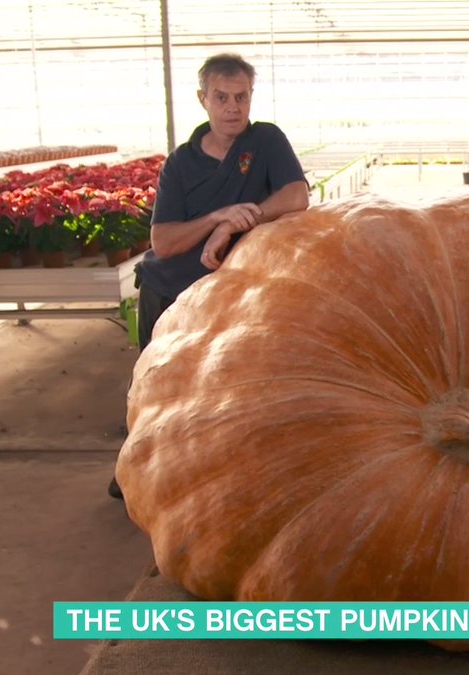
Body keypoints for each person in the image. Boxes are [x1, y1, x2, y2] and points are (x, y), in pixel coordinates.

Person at [109, 53, 309, 500]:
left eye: (241, 97)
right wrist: (216, 215)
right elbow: (163, 242)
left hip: (227, 291)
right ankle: (134, 473)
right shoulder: (180, 164)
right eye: (222, 97)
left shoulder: (266, 141)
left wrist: (233, 224)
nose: (233, 107)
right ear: (203, 99)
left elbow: (297, 195)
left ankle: (213, 477)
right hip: (170, 290)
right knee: (154, 387)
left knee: (222, 386)